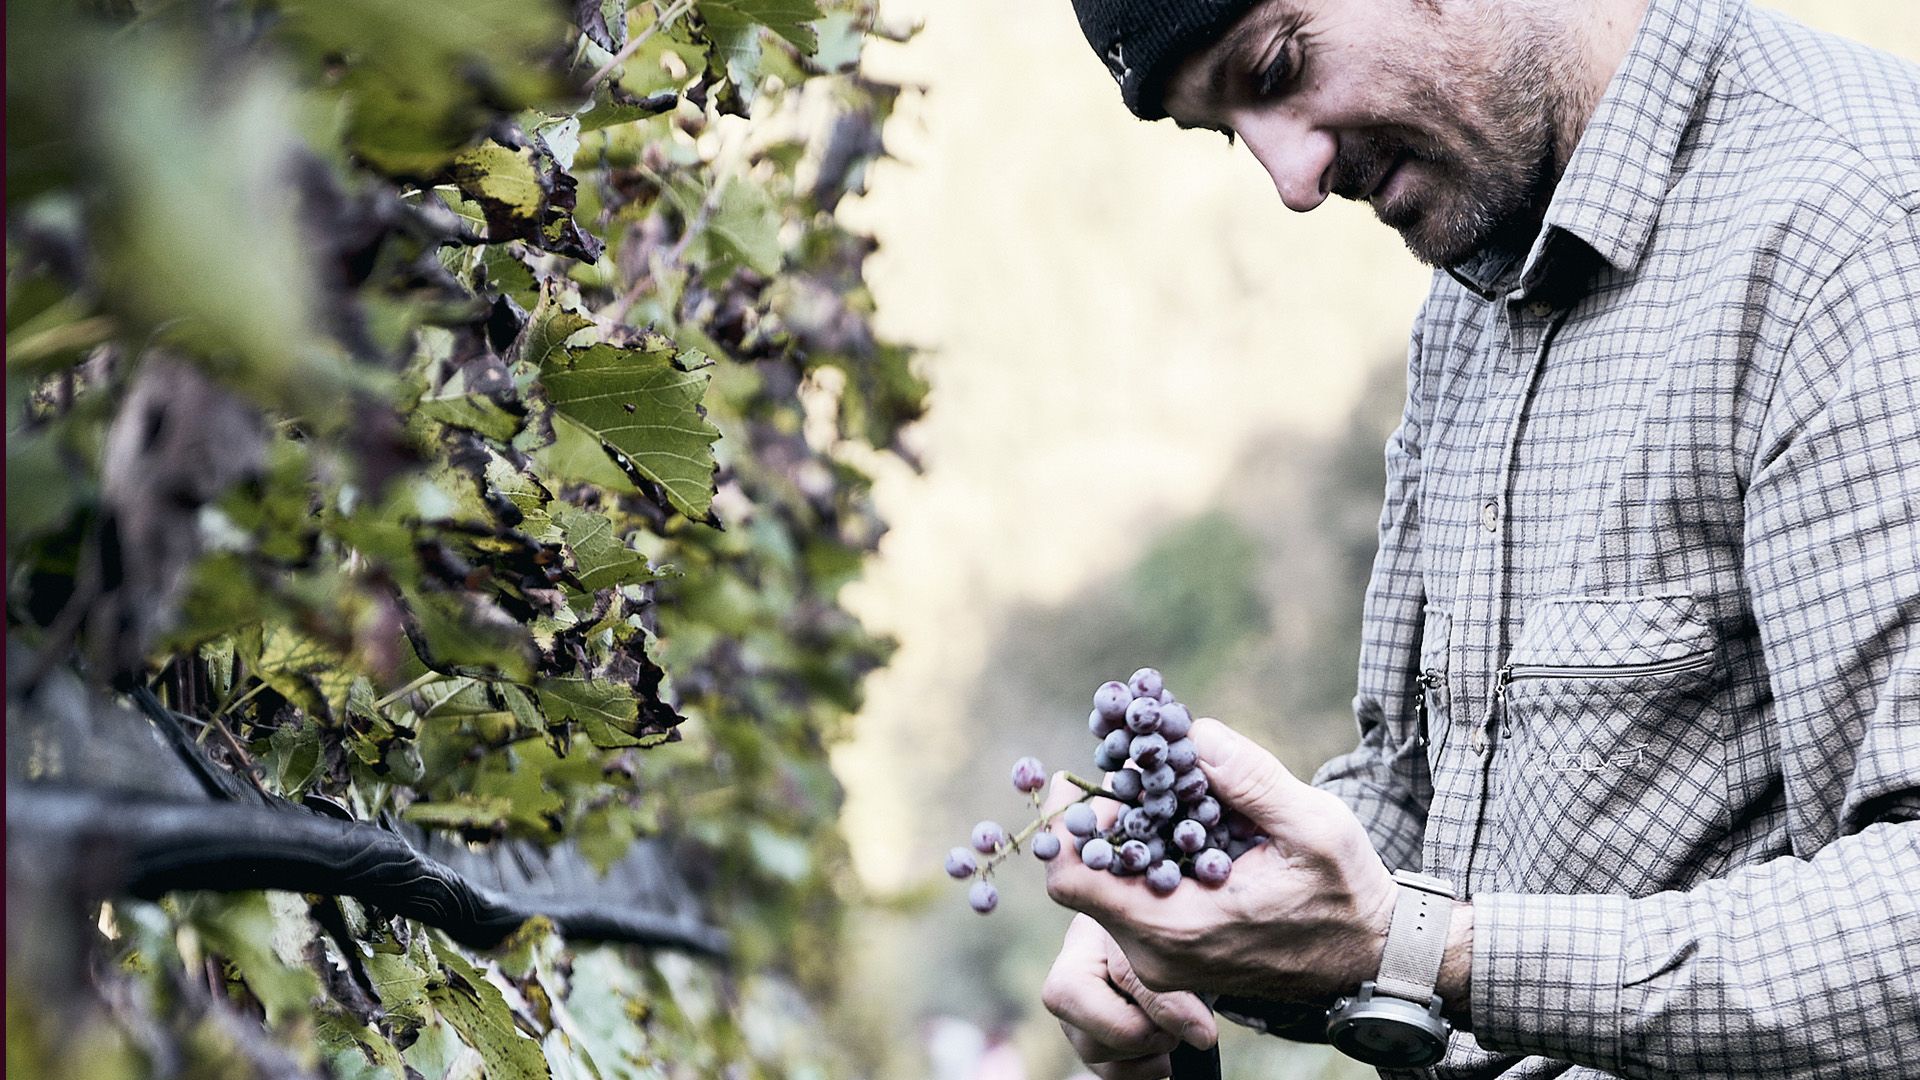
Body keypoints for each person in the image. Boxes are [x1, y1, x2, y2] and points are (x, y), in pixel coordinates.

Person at [1036, 0, 1920, 1076]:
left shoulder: (1860, 228)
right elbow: (1416, 804)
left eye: (1277, 66)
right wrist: (1193, 907)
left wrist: (1420, 949)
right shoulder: (1471, 293)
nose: (1292, 181)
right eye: (1229, 131)